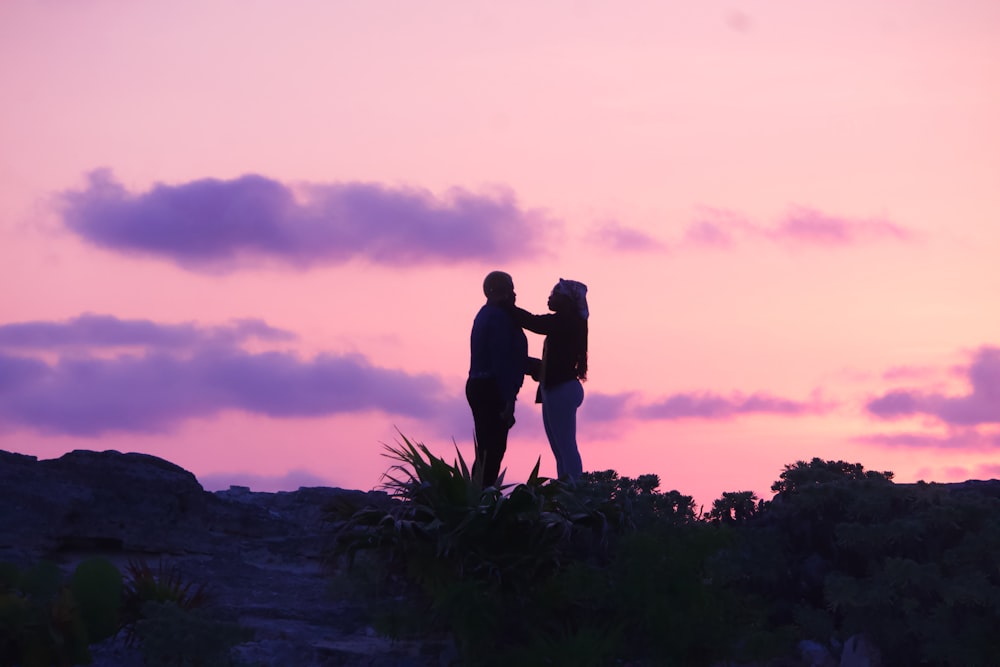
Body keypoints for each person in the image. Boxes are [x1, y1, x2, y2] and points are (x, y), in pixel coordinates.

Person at [513, 278, 589, 481]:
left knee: (565, 446)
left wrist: (506, 307)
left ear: (565, 300)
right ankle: (567, 489)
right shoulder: (569, 323)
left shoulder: (565, 322)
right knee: (560, 448)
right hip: (558, 388)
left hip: (561, 389)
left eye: (554, 294)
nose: (549, 297)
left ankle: (575, 490)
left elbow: (533, 322)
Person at [467, 271, 528, 487]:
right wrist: (508, 398)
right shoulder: (498, 317)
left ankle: (478, 495)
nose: (514, 293)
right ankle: (480, 499)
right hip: (491, 388)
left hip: (480, 385)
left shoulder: (485, 314)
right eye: (510, 288)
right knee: (492, 449)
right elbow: (501, 359)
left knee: (487, 447)